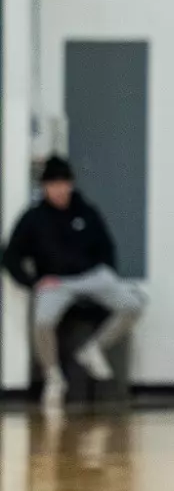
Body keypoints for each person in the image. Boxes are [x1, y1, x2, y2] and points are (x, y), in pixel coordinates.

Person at [2, 155, 147, 408]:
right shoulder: (33, 218)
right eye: (52, 185)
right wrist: (33, 282)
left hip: (91, 276)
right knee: (42, 321)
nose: (58, 190)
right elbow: (10, 255)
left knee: (133, 304)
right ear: (45, 188)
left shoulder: (87, 212)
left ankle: (93, 350)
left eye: (63, 184)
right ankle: (53, 377)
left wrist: (106, 273)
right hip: (56, 282)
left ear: (70, 184)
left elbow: (106, 245)